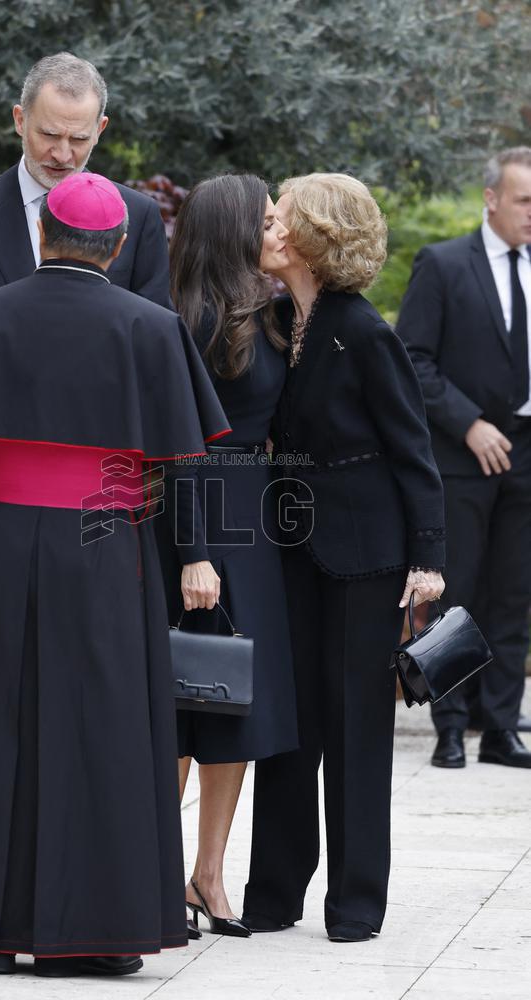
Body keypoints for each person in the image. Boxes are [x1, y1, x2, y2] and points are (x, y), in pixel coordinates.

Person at [0, 172, 230, 977]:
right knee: (103, 723)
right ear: (117, 248)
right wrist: (194, 550)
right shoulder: (151, 326)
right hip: (103, 541)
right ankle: (100, 932)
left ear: (43, 235)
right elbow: (177, 454)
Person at [241, 173, 446, 943]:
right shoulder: (271, 319)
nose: (266, 225)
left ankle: (357, 901)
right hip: (287, 548)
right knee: (289, 726)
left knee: (357, 729)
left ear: (309, 235)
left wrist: (427, 558)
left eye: (277, 216)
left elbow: (412, 447)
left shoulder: (362, 330)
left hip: (366, 553)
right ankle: (273, 895)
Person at [0, 51, 170, 594]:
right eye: (48, 134)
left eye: (79, 139)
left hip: (101, 505)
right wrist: (12, 388)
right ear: (19, 119)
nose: (62, 154)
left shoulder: (136, 218)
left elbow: (154, 356)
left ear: (101, 129)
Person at [158, 175, 299, 939]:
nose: (281, 229)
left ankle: (209, 875)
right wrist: (194, 553)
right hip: (204, 518)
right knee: (186, 702)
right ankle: (159, 875)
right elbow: (179, 447)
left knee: (236, 704)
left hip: (259, 516)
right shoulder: (190, 320)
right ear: (234, 228)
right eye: (270, 219)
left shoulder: (273, 311)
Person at [396, 147, 531, 769]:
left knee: (513, 593)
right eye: (525, 200)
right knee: (459, 595)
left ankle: (501, 727)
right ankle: (449, 727)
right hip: (462, 455)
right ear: (492, 198)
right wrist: (469, 422)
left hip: (528, 455)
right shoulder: (445, 265)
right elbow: (413, 360)